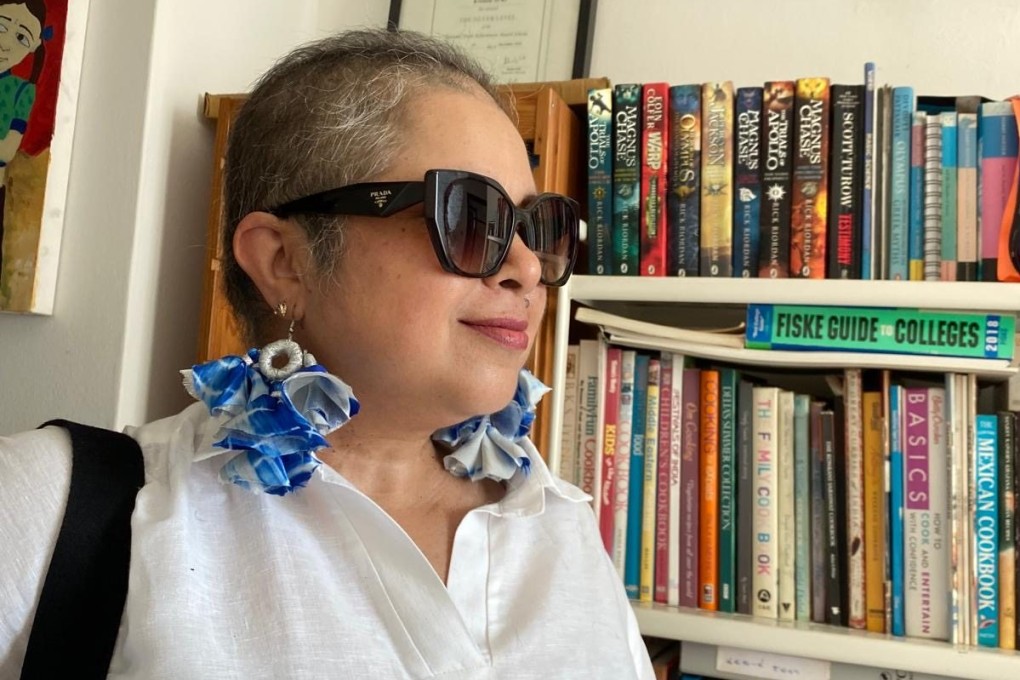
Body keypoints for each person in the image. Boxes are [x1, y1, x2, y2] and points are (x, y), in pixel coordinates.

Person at [0, 28, 654, 679]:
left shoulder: (564, 532)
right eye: (468, 216)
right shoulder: (49, 511)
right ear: (285, 260)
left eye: (536, 228)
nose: (525, 268)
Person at [0, 0, 45, 271]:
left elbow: (6, 150)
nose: (5, 42)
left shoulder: (21, 91)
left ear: (33, 46)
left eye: (20, 37)